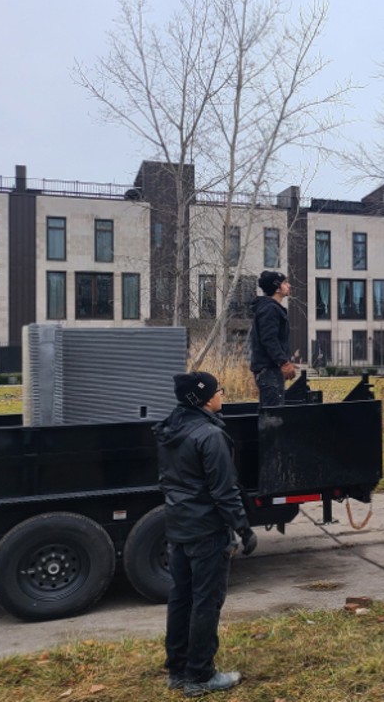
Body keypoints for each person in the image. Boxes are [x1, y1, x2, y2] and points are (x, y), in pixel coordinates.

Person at [155, 371, 257, 697]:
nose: (222, 393)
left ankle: (178, 668)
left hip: (179, 527)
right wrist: (243, 528)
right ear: (204, 398)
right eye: (218, 390)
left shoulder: (171, 428)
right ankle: (200, 676)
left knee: (181, 599)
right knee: (206, 603)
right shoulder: (209, 436)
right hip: (207, 531)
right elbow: (224, 491)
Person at [250, 270, 295, 407]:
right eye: (285, 283)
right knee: (272, 415)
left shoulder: (270, 308)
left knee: (269, 410)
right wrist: (284, 362)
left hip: (270, 370)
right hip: (269, 370)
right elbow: (269, 339)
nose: (289, 286)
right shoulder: (270, 309)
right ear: (277, 288)